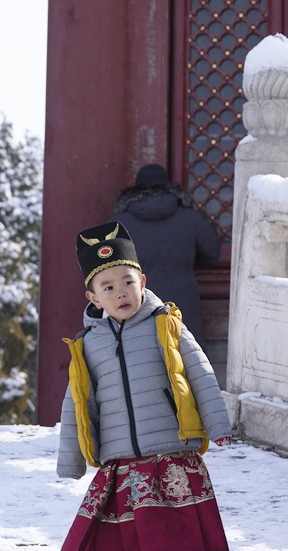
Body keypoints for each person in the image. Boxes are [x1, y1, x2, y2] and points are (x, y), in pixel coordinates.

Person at [57, 221, 232, 551]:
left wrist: (217, 424)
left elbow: (201, 375)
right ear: (93, 297)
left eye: (128, 281)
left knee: (175, 538)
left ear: (143, 283)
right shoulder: (87, 347)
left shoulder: (166, 327)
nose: (120, 291)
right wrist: (71, 461)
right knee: (118, 541)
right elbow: (77, 403)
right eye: (107, 287)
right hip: (120, 465)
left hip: (172, 455)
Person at [109, 164, 222, 347]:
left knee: (140, 363)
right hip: (181, 303)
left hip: (135, 303)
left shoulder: (119, 223)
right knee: (184, 361)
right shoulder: (189, 218)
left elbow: (104, 267)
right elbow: (212, 254)